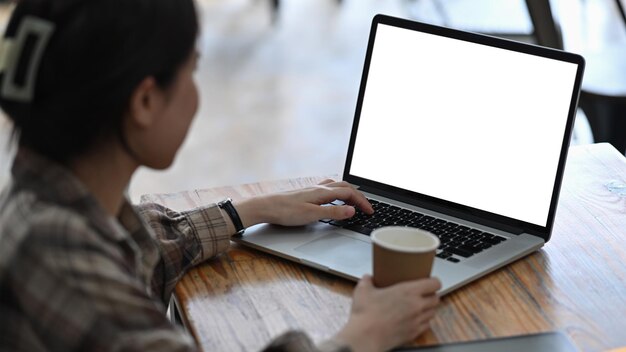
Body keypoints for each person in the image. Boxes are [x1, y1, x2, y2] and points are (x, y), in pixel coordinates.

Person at [0, 0, 441, 351]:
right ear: (145, 102)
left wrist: (248, 210)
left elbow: (136, 247)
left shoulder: (48, 205)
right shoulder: (58, 255)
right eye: (192, 69)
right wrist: (362, 336)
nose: (196, 90)